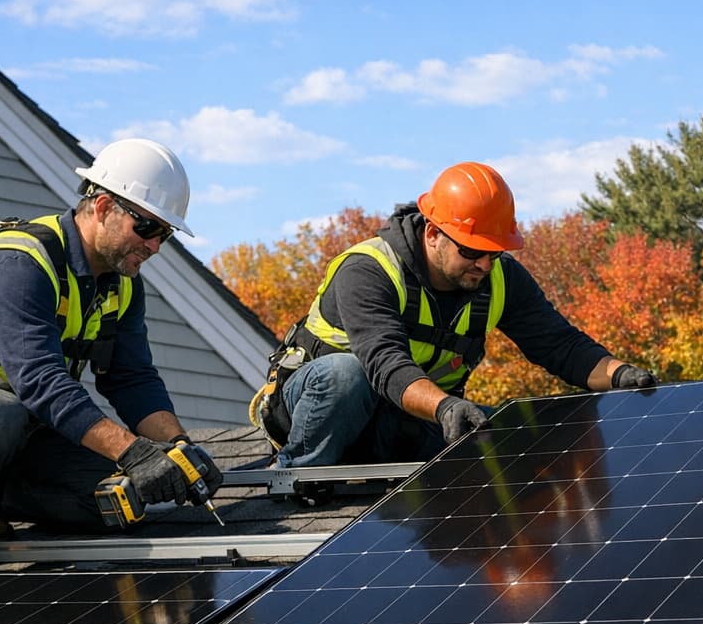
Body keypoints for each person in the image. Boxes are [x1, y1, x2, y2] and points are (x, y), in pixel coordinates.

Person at [0, 138, 218, 572]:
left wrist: (178, 449)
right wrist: (133, 451)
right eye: (147, 228)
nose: (155, 246)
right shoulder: (19, 265)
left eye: (165, 234)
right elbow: (41, 383)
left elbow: (132, 379)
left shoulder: (122, 285)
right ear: (103, 207)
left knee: (115, 499)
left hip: (11, 426)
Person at [260, 161, 656, 468]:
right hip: (324, 409)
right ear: (433, 234)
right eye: (471, 251)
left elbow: (560, 345)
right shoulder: (369, 270)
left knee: (515, 434)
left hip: (405, 418)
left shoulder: (501, 279)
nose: (484, 264)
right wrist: (446, 406)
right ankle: (300, 477)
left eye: (494, 252)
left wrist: (622, 375)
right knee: (346, 376)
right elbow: (385, 364)